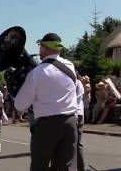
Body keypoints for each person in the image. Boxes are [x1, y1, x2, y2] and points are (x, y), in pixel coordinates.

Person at [14, 33, 78, 170]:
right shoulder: (70, 66)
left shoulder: (37, 72)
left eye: (40, 46)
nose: (39, 49)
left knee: (39, 165)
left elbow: (20, 105)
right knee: (66, 166)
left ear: (44, 48)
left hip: (47, 125)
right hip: (71, 123)